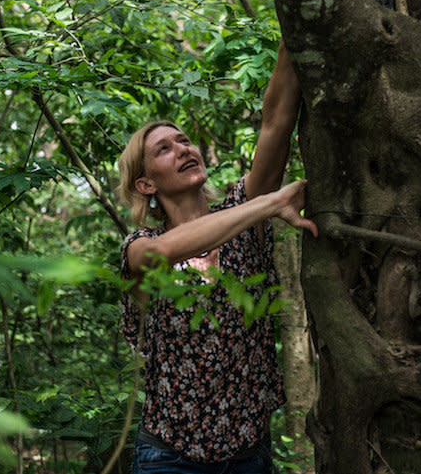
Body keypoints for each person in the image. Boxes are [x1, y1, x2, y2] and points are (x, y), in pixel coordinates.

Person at [116, 39, 317, 474]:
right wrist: (267, 205)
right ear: (146, 184)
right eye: (164, 149)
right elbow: (161, 254)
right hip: (168, 458)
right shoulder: (138, 246)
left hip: (248, 456)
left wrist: (294, 23)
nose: (184, 148)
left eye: (184, 140)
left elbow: (276, 122)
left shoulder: (241, 217)